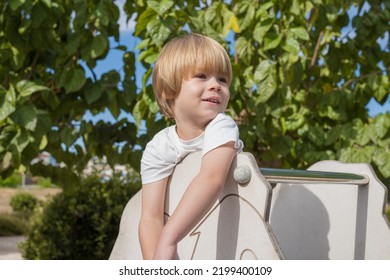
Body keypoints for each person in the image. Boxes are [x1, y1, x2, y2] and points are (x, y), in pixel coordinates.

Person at [138, 33, 243, 260]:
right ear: (169, 89)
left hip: (232, 241)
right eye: (202, 76)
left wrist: (169, 238)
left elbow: (212, 179)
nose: (215, 85)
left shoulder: (222, 126)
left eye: (223, 80)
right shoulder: (159, 147)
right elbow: (151, 217)